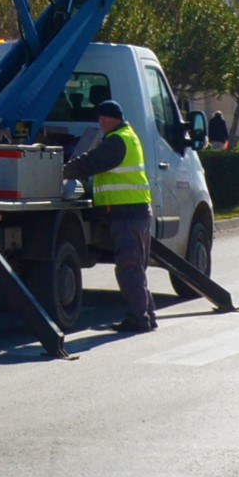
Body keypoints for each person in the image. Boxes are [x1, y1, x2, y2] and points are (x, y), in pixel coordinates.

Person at [63, 99, 158, 332]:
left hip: (127, 215)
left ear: (117, 118)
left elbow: (89, 163)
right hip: (134, 213)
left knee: (128, 268)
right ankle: (146, 315)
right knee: (135, 267)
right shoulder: (126, 136)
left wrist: (58, 170)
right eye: (99, 117)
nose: (101, 121)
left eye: (105, 117)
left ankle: (139, 320)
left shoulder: (117, 141)